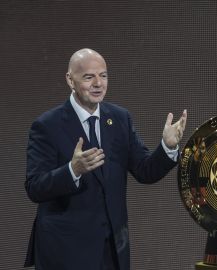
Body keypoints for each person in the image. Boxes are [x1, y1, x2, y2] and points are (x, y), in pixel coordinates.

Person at [24, 48, 187, 270]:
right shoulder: (47, 126)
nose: (98, 83)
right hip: (65, 251)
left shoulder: (119, 118)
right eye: (89, 77)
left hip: (112, 250)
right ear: (70, 80)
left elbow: (145, 170)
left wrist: (168, 147)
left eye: (103, 75)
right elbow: (35, 187)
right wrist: (73, 170)